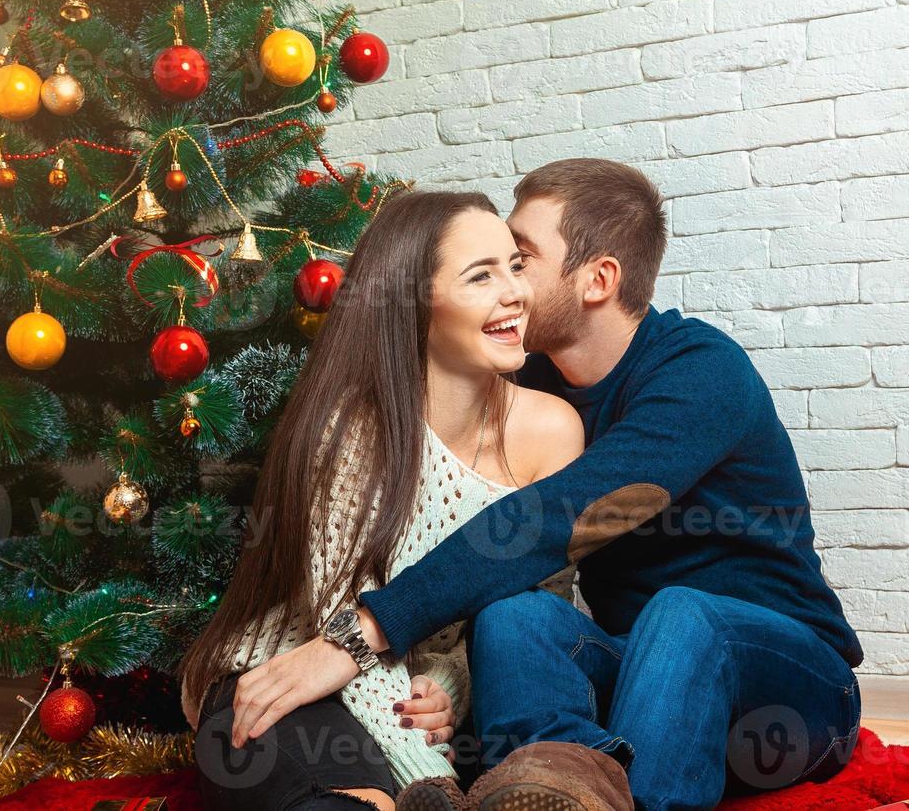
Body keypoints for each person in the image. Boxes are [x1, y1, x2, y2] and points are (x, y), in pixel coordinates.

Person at [226, 159, 864, 811]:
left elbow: (553, 519)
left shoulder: (699, 373)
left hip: (794, 690)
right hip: (642, 674)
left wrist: (363, 632)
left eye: (521, 258)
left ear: (598, 279)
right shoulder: (531, 384)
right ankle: (551, 783)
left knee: (682, 612)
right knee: (514, 616)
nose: (508, 283)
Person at [181, 189, 584, 811]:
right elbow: (336, 631)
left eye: (515, 266)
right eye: (481, 275)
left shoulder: (553, 432)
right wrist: (428, 777)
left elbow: (529, 630)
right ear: (415, 305)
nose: (516, 292)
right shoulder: (348, 431)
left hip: (422, 708)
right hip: (293, 674)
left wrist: (449, 686)